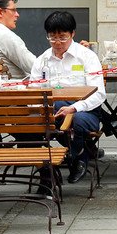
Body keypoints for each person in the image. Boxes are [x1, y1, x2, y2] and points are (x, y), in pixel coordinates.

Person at [29, 11, 104, 184]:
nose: (57, 42)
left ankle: (76, 156)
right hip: (53, 110)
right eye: (52, 37)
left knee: (76, 119)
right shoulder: (42, 60)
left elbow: (99, 93)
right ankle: (75, 156)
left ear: (72, 34)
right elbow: (34, 89)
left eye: (62, 37)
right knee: (36, 122)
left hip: (85, 110)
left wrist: (74, 108)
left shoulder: (86, 56)